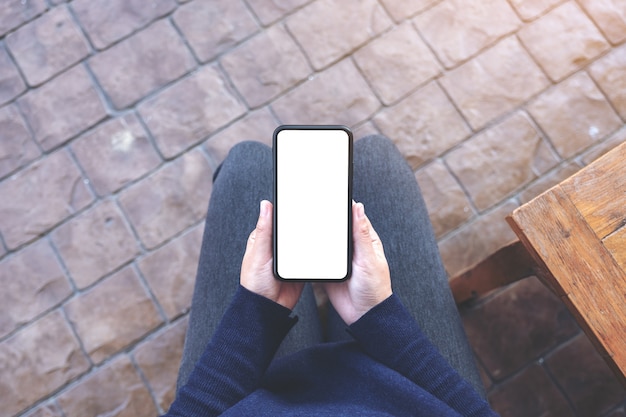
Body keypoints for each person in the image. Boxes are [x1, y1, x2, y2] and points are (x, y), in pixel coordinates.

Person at [163, 135, 498, 416]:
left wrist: (254, 317)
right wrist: (380, 320)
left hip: (245, 400)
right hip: (408, 396)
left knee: (246, 164)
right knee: (374, 160)